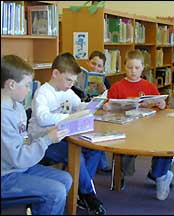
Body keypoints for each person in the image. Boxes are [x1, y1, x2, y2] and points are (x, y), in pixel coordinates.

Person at [28, 52, 106, 215]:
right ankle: (87, 193)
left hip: (64, 137)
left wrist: (95, 104)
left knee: (95, 148)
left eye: (73, 81)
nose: (71, 84)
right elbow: (42, 119)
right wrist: (69, 117)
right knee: (76, 155)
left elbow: (79, 106)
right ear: (56, 73)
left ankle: (80, 187)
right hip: (43, 141)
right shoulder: (43, 93)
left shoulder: (67, 91)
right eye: (68, 80)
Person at [1, 55, 72, 215]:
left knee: (65, 179)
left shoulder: (17, 107)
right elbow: (18, 158)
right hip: (6, 175)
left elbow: (24, 140)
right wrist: (47, 140)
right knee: (56, 191)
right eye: (26, 85)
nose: (29, 90)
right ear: (11, 84)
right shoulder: (3, 116)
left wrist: (45, 133)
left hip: (19, 168)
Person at [103, 49, 174, 201]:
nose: (133, 71)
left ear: (142, 67)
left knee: (161, 142)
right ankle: (121, 174)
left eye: (137, 68)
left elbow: (161, 107)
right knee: (125, 146)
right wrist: (108, 106)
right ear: (124, 67)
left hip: (148, 127)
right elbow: (109, 106)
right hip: (126, 127)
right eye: (129, 67)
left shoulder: (149, 86)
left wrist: (161, 104)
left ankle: (157, 173)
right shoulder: (117, 87)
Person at [86, 50, 112, 174]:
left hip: (98, 112)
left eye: (99, 66)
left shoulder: (104, 80)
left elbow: (110, 99)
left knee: (100, 128)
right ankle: (101, 163)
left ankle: (102, 163)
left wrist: (104, 91)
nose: (95, 67)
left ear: (102, 68)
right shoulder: (79, 77)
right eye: (93, 63)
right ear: (88, 62)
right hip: (82, 112)